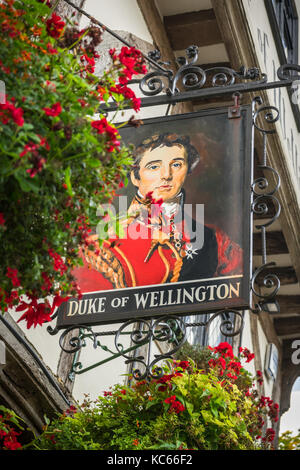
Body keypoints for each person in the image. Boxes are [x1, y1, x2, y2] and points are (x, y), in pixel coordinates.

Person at [72, 133, 243, 292]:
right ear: (135, 177)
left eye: (176, 165)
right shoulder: (99, 245)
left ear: (187, 171)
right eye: (154, 167)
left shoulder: (214, 239)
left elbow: (238, 291)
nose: (166, 175)